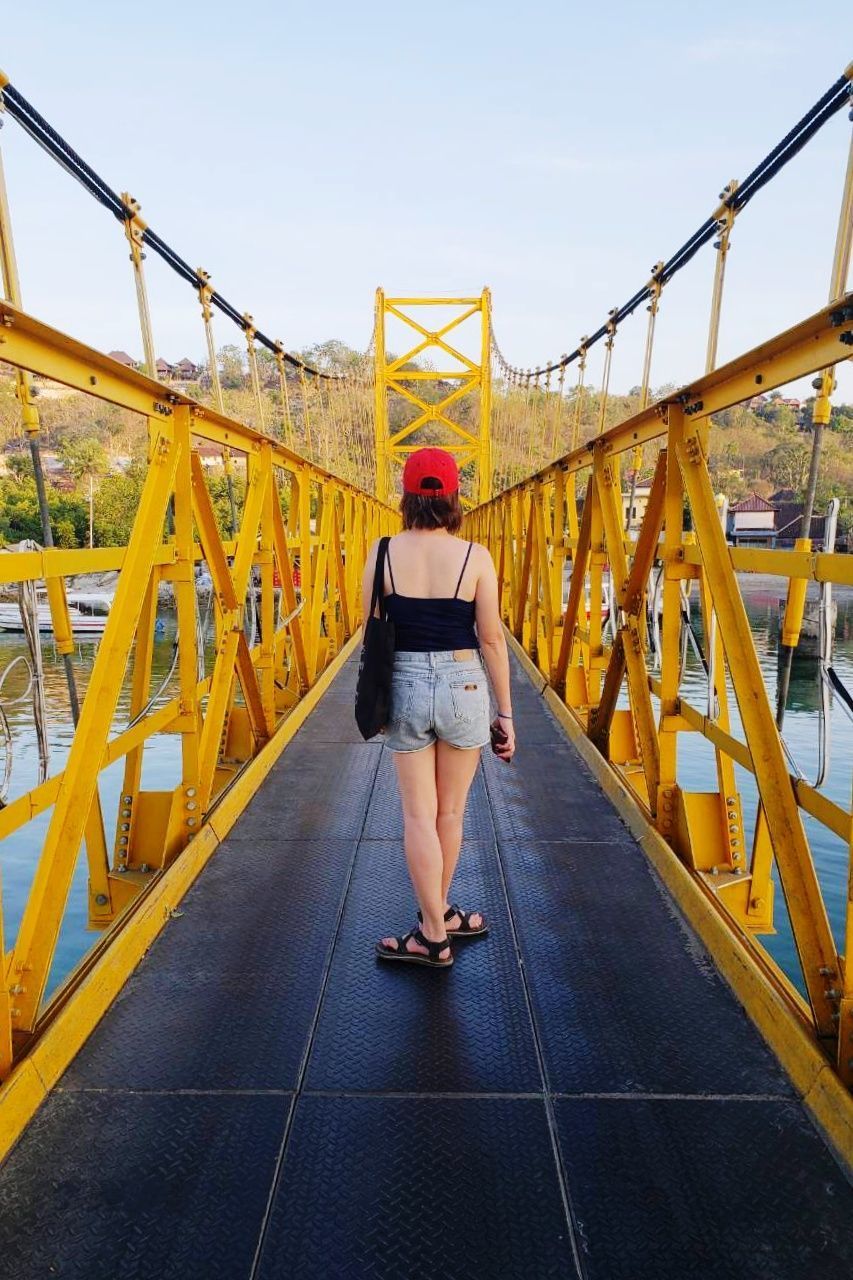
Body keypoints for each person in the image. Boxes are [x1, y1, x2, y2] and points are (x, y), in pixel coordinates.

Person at [360, 446, 516, 970]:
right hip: (465, 683)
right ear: (453, 496)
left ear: (405, 496)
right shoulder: (476, 557)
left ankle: (432, 930)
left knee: (418, 815)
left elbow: (372, 629)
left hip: (404, 679)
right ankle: (439, 915)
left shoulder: (381, 553)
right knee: (451, 813)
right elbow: (492, 639)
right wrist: (507, 714)